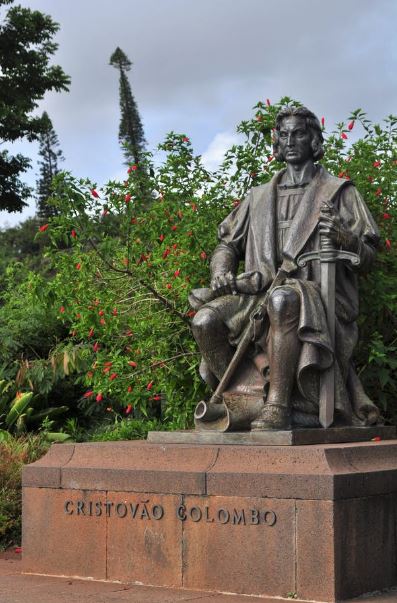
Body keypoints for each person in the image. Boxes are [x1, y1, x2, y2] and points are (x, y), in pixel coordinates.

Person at [190, 105, 380, 430]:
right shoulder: (259, 197)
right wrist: (220, 273)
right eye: (284, 134)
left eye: (299, 133)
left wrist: (346, 238)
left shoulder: (338, 192)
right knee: (205, 320)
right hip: (256, 292)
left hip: (315, 296)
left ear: (314, 140)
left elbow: (369, 258)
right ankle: (248, 397)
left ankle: (279, 405)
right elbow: (226, 245)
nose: (290, 141)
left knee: (283, 300)